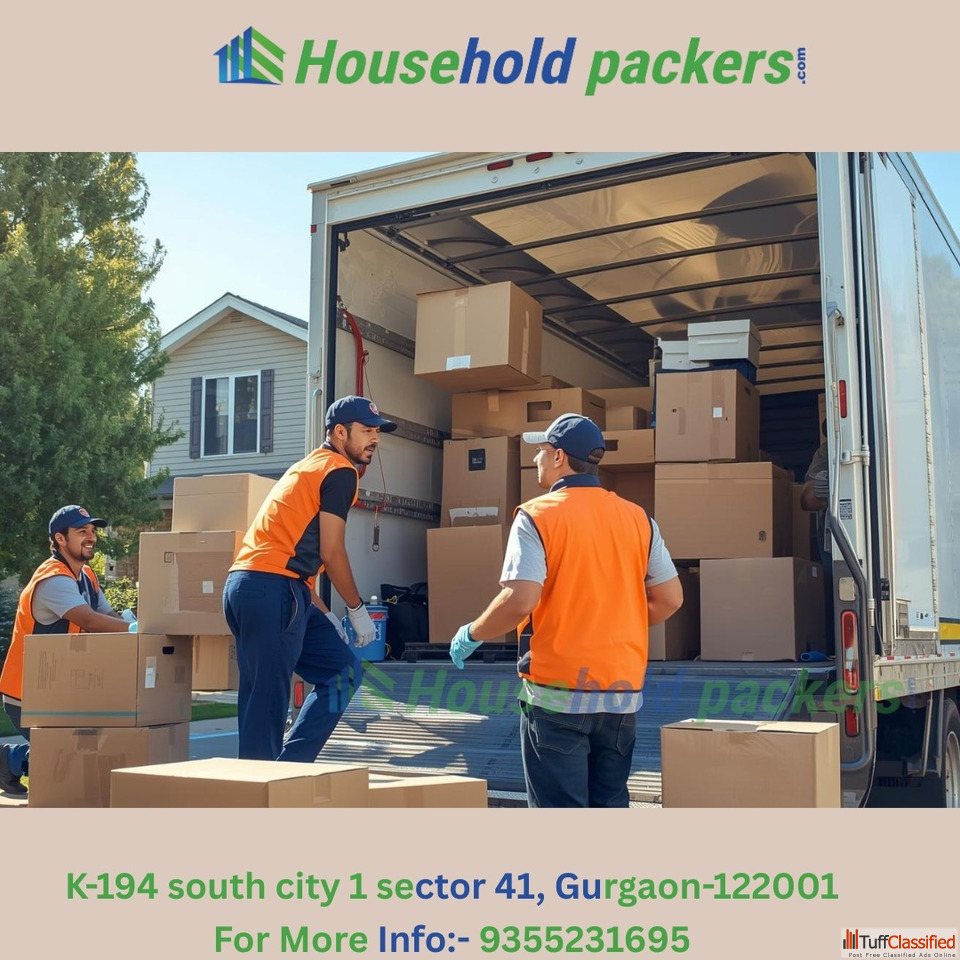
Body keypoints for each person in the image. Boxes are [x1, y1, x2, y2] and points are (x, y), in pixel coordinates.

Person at [448, 413, 683, 808]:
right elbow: (670, 599)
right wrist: (614, 621)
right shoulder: (639, 518)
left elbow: (520, 600)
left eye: (540, 451)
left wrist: (472, 633)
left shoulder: (537, 516)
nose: (535, 459)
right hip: (621, 694)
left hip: (557, 696)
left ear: (559, 457)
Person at [223, 394, 397, 763]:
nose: (375, 439)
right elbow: (332, 551)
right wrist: (356, 610)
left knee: (341, 671)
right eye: (367, 430)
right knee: (266, 704)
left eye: (377, 432)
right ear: (339, 432)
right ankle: (261, 789)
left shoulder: (308, 467)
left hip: (268, 587)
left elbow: (296, 555)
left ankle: (289, 769)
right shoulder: (340, 471)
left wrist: (326, 614)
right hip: (271, 590)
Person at [0, 505, 130, 796]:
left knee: (84, 750)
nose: (91, 537)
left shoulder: (86, 576)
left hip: (59, 688)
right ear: (60, 538)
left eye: (92, 531)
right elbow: (90, 621)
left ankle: (10, 761)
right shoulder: (54, 579)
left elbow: (109, 617)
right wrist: (138, 630)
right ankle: (9, 759)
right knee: (72, 754)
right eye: (82, 531)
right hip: (28, 694)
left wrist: (139, 625)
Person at [800, 423, 834, 652]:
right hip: (835, 538)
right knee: (834, 588)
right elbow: (806, 500)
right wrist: (822, 489)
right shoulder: (826, 452)